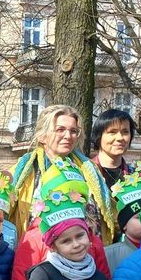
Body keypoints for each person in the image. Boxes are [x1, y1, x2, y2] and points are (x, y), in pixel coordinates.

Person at [10, 104, 117, 244]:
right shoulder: (25, 169)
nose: (68, 136)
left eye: (73, 131)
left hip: (87, 253)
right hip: (39, 254)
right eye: (60, 129)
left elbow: (111, 213)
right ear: (42, 136)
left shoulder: (89, 169)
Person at [90, 109, 136, 192]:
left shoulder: (137, 176)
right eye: (112, 132)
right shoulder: (84, 174)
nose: (120, 138)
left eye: (125, 132)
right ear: (99, 136)